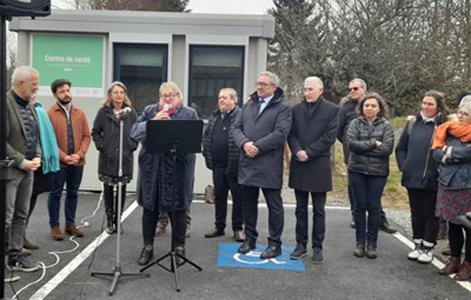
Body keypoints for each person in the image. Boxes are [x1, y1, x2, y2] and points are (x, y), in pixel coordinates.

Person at [131, 82, 197, 265]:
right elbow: (134, 132)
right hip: (152, 167)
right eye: (163, 96)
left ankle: (179, 247)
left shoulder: (189, 113)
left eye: (171, 95)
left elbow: (194, 140)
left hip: (178, 168)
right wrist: (152, 123)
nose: (167, 99)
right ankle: (148, 247)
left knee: (179, 208)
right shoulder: (150, 111)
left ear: (178, 97)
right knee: (150, 207)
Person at [233, 71, 292, 259]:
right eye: (258, 83)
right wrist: (244, 144)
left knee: (274, 206)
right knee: (248, 204)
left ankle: (275, 244)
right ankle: (249, 239)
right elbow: (236, 128)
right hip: (248, 162)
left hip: (269, 163)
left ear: (274, 88)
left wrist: (256, 147)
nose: (259, 87)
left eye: (264, 84)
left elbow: (281, 133)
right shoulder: (248, 106)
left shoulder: (283, 108)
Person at [287, 77, 339, 263]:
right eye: (305, 89)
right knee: (300, 209)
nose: (307, 93)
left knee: (319, 210)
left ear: (320, 90)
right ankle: (301, 244)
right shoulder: (296, 109)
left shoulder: (332, 110)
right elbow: (291, 133)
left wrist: (309, 152)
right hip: (299, 164)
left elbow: (329, 136)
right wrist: (297, 151)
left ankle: (318, 247)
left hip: (318, 165)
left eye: (311, 89)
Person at [395, 91, 450, 263]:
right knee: (416, 213)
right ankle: (417, 244)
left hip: (433, 178)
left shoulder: (445, 125)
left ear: (438, 106)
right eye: (424, 103)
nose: (426, 107)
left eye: (430, 104)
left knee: (431, 214)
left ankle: (428, 247)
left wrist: (440, 170)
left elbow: (447, 150)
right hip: (412, 176)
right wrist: (405, 166)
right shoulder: (412, 123)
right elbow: (400, 148)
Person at [337, 79, 397, 233]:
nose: (352, 91)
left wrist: (364, 146)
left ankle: (380, 219)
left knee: (374, 192)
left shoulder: (374, 105)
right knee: (354, 187)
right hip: (353, 155)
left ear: (364, 89)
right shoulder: (346, 108)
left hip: (376, 161)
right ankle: (356, 215)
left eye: (355, 88)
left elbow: (385, 145)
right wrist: (356, 145)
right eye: (350, 89)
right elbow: (340, 131)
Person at [346, 93, 394, 259]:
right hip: (356, 171)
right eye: (367, 105)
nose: (370, 108)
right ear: (362, 107)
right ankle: (360, 243)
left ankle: (372, 244)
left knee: (373, 207)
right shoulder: (355, 123)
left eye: (373, 106)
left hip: (377, 173)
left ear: (379, 108)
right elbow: (352, 145)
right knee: (359, 207)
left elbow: (387, 149)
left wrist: (364, 148)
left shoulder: (386, 126)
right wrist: (374, 143)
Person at [5, 66, 41, 273]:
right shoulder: (5, 104)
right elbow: (2, 141)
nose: (37, 88)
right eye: (34, 84)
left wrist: (37, 157)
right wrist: (21, 161)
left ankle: (15, 257)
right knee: (6, 217)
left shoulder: (30, 106)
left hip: (28, 170)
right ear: (21, 84)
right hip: (11, 172)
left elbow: (34, 136)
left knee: (21, 215)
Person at [47, 79, 91, 240]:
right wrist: (64, 157)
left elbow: (87, 136)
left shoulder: (79, 112)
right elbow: (49, 140)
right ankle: (54, 226)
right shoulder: (50, 114)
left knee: (73, 193)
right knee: (55, 194)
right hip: (59, 164)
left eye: (67, 90)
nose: (66, 94)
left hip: (77, 163)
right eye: (62, 91)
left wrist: (79, 154)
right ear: (55, 95)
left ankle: (70, 225)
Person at [92, 81, 138, 234]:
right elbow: (96, 132)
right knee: (108, 190)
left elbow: (137, 131)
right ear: (110, 96)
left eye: (122, 92)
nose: (119, 95)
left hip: (124, 158)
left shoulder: (130, 112)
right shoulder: (103, 112)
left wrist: (132, 145)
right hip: (108, 158)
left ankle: (118, 220)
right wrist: (102, 146)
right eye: (116, 92)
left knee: (121, 190)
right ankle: (109, 220)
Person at [432, 102, 471, 281]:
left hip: (467, 185)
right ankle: (454, 259)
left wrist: (449, 152)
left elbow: (468, 154)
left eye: (466, 113)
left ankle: (468, 264)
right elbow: (436, 153)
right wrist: (453, 155)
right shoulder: (448, 129)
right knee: (452, 224)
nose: (461, 115)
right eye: (460, 112)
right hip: (448, 182)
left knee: (469, 227)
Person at [202, 88, 244, 242]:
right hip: (218, 165)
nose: (221, 100)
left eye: (225, 98)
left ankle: (238, 229)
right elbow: (206, 137)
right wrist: (207, 153)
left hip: (234, 164)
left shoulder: (241, 116)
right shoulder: (214, 117)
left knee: (238, 198)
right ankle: (219, 226)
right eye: (220, 97)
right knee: (219, 196)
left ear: (234, 100)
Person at [23, 93, 60, 252]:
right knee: (18, 205)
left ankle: (21, 236)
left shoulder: (40, 111)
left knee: (31, 200)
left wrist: (39, 156)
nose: (33, 95)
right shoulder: (20, 112)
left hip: (38, 162)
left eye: (35, 94)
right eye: (31, 92)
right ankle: (10, 239)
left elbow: (41, 137)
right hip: (22, 163)